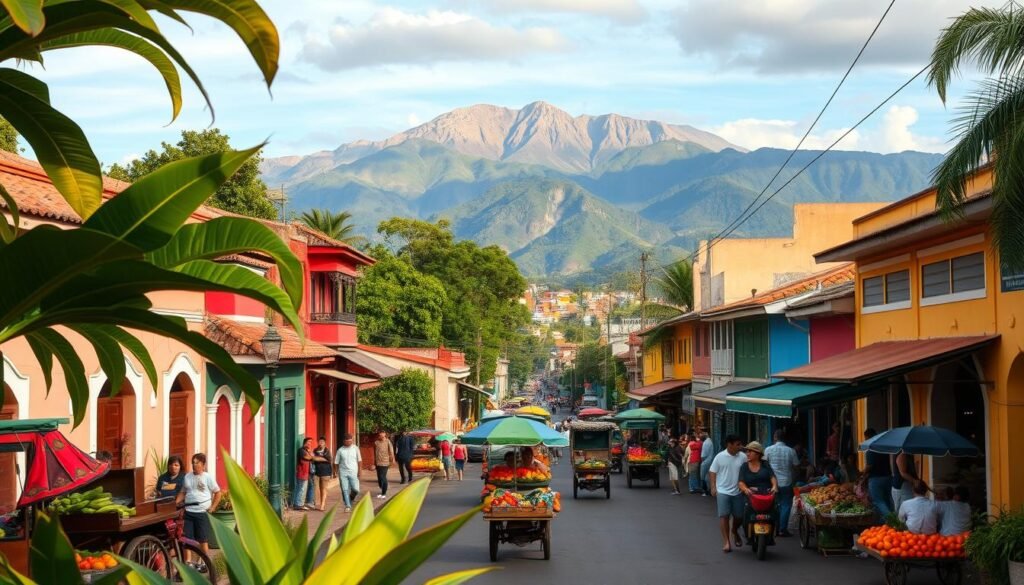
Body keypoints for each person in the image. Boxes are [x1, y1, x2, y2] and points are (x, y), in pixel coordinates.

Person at [175, 453, 222, 567]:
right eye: (193, 463)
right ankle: (188, 563)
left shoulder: (207, 477)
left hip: (202, 512)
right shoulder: (187, 477)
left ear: (203, 465)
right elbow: (183, 492)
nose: (194, 465)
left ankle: (205, 563)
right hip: (189, 511)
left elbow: (218, 493)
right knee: (187, 539)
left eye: (197, 463)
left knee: (202, 539)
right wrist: (176, 502)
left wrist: (213, 507)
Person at [709, 435, 747, 553]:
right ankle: (726, 542)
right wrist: (713, 487)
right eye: (737, 444)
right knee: (724, 516)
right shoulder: (720, 457)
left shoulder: (743, 457)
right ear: (729, 445)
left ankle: (734, 531)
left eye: (740, 444)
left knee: (739, 517)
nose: (740, 447)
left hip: (738, 491)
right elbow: (712, 471)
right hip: (723, 491)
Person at [764, 430, 799, 537]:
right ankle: (782, 529)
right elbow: (796, 466)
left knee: (773, 505)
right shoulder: (791, 451)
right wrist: (794, 478)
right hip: (786, 482)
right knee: (785, 505)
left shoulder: (768, 450)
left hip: (771, 483)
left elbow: (764, 465)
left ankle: (774, 527)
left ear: (775, 437)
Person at [859, 428, 893, 517]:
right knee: (887, 500)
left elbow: (869, 466)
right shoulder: (883, 448)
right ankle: (885, 523)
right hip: (888, 477)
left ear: (867, 437)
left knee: (878, 501)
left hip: (876, 479)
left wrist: (862, 473)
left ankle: (892, 520)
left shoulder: (871, 449)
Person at [333, 433, 361, 512]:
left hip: (353, 472)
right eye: (347, 441)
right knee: (345, 490)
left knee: (356, 489)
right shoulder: (340, 450)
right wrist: (335, 472)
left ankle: (351, 497)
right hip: (343, 472)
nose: (349, 443)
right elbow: (336, 462)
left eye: (350, 441)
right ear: (344, 441)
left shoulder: (355, 448)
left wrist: (360, 471)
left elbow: (359, 461)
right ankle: (348, 505)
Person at [293, 437, 316, 510]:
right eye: (308, 442)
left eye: (311, 442)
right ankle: (299, 504)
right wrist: (311, 455)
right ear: (305, 443)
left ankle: (298, 503)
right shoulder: (301, 450)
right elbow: (308, 458)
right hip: (302, 472)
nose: (310, 444)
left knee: (301, 488)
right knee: (302, 488)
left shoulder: (307, 451)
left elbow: (312, 457)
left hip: (306, 473)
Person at [312, 437, 332, 511]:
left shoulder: (327, 451)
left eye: (322, 442)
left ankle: (322, 505)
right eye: (319, 442)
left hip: (326, 472)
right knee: (316, 488)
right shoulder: (315, 450)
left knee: (324, 489)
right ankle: (317, 503)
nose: (321, 443)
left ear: (325, 443)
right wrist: (322, 458)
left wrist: (318, 458)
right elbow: (313, 459)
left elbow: (329, 460)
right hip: (316, 472)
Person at [373, 431, 395, 499]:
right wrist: (374, 461)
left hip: (385, 462)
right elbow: (374, 452)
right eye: (380, 435)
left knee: (383, 477)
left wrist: (392, 459)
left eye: (382, 435)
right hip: (378, 462)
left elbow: (391, 451)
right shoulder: (376, 442)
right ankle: (382, 487)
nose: (381, 436)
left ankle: (384, 493)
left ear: (385, 435)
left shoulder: (388, 442)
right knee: (379, 478)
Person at [700, 432, 715, 496]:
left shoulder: (706, 443)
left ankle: (705, 491)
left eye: (701, 436)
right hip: (710, 460)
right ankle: (709, 490)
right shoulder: (710, 441)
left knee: (703, 477)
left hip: (706, 461)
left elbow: (703, 455)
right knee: (708, 476)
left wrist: (702, 460)